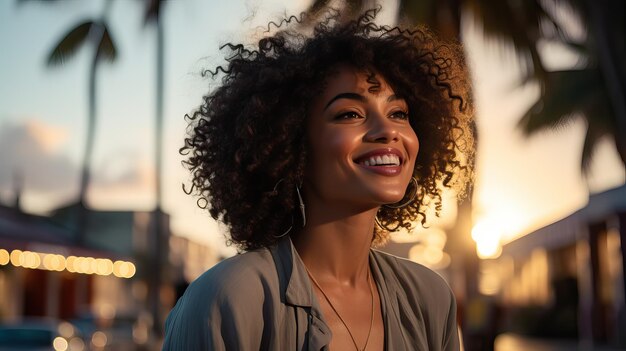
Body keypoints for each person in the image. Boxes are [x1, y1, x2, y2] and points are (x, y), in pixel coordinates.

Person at [163, 7, 474, 351]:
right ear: (289, 142)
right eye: (350, 114)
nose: (388, 131)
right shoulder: (229, 298)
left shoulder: (429, 298)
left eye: (398, 113)